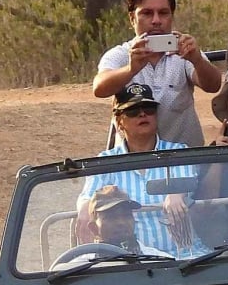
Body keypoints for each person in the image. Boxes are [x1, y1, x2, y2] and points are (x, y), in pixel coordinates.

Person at [93, 0, 223, 147]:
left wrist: (197, 60)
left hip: (183, 161)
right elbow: (99, 88)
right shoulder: (121, 55)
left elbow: (213, 85)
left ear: (172, 16)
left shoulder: (183, 51)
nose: (156, 21)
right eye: (147, 13)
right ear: (132, 18)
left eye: (163, 13)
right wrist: (131, 70)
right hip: (134, 164)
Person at [76, 84, 195, 254]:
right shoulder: (106, 161)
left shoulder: (179, 152)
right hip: (132, 261)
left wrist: (177, 194)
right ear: (119, 121)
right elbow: (88, 195)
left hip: (184, 255)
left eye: (149, 109)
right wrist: (86, 209)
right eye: (132, 111)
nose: (142, 114)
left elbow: (188, 181)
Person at [87, 186, 171, 257]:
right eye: (111, 217)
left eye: (127, 215)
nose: (121, 222)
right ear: (93, 228)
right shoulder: (79, 268)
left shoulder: (160, 261)